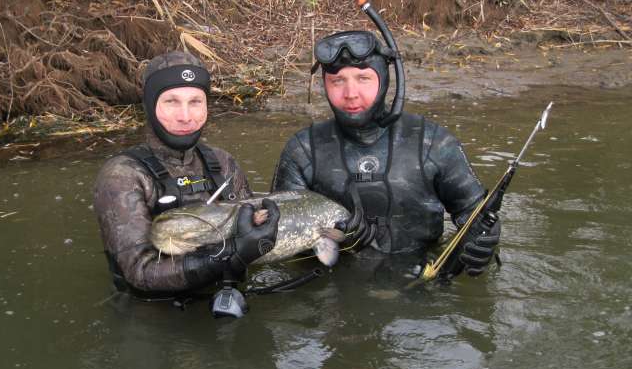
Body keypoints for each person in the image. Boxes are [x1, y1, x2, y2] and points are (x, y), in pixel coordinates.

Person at [271, 28, 500, 276]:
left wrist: (483, 242)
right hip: (334, 290)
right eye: (337, 81)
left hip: (422, 286)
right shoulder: (302, 151)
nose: (350, 94)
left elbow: (476, 214)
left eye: (363, 79)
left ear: (383, 79)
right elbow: (280, 236)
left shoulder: (434, 143)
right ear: (325, 85)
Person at [94, 51, 280, 298]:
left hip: (228, 299)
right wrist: (229, 254)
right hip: (158, 320)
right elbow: (140, 272)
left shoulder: (222, 162)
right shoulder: (122, 175)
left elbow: (253, 229)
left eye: (195, 102)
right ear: (150, 106)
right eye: (171, 102)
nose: (185, 116)